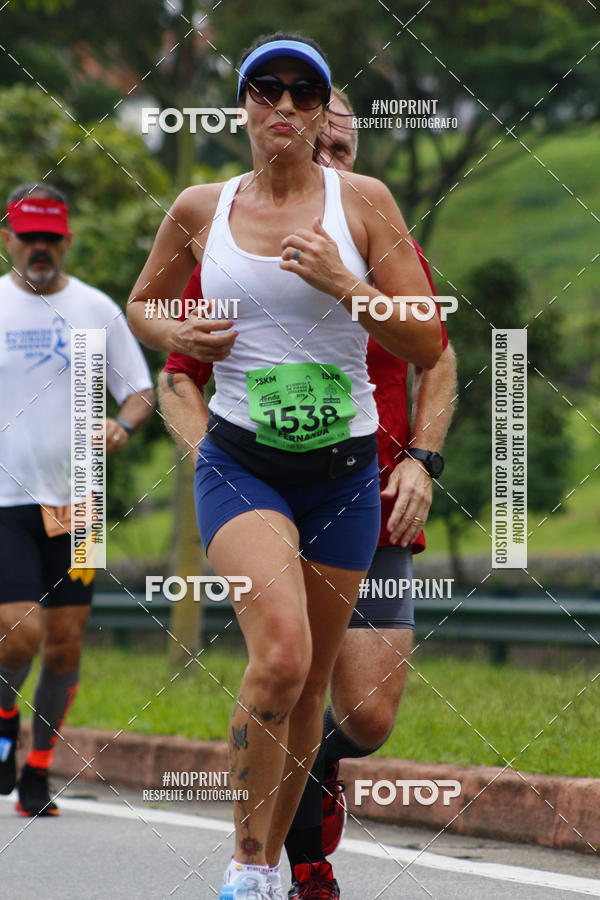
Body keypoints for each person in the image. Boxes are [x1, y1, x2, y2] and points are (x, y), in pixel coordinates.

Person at [127, 32, 443, 900]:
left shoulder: (364, 203)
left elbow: (427, 341)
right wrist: (179, 333)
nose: (286, 106)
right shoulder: (201, 207)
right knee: (279, 657)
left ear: (320, 110)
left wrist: (346, 283)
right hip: (242, 464)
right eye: (266, 89)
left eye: (305, 93)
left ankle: (277, 858)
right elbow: (143, 304)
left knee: (310, 693)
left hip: (343, 476)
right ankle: (246, 865)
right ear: (242, 107)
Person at [0, 184, 154, 817]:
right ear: (8, 239)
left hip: (78, 502)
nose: (39, 248)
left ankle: (38, 770)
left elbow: (139, 390)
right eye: (28, 237)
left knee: (64, 644)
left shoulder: (95, 309)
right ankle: (3, 726)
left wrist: (124, 424)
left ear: (66, 240)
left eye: (50, 238)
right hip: (6, 497)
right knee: (19, 633)